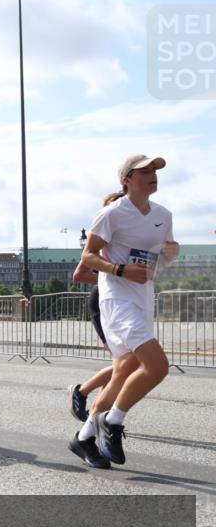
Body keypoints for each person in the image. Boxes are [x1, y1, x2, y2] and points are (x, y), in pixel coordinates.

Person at [68, 154, 178, 468]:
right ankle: (112, 421)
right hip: (116, 301)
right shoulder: (111, 214)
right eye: (144, 171)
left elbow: (162, 257)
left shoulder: (163, 214)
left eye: (155, 171)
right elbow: (88, 257)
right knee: (157, 367)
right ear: (127, 179)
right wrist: (118, 269)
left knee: (123, 372)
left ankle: (84, 437)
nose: (152, 175)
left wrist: (171, 253)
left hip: (144, 299)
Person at [67, 263, 115, 422]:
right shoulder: (103, 242)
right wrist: (115, 277)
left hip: (120, 303)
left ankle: (99, 413)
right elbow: (79, 275)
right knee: (126, 365)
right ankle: (81, 393)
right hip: (104, 301)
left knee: (124, 366)